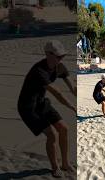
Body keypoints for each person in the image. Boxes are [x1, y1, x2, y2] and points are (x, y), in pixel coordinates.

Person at [17, 40, 76, 178]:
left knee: (64, 128)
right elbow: (57, 93)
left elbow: (72, 88)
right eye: (58, 56)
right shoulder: (39, 71)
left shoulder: (60, 67)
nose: (61, 59)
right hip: (28, 107)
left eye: (62, 56)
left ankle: (65, 164)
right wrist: (73, 107)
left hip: (42, 103)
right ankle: (55, 168)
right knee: (52, 135)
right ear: (48, 54)